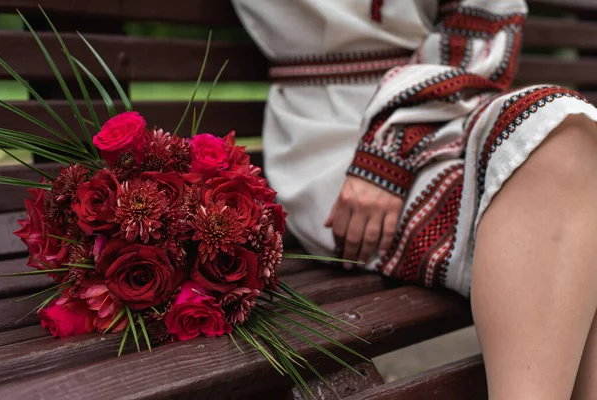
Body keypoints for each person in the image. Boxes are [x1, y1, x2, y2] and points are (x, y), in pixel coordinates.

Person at [231, 0, 597, 398]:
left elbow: (482, 28)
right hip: (327, 144)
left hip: (447, 101)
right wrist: (385, 156)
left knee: (565, 142)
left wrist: (397, 139)